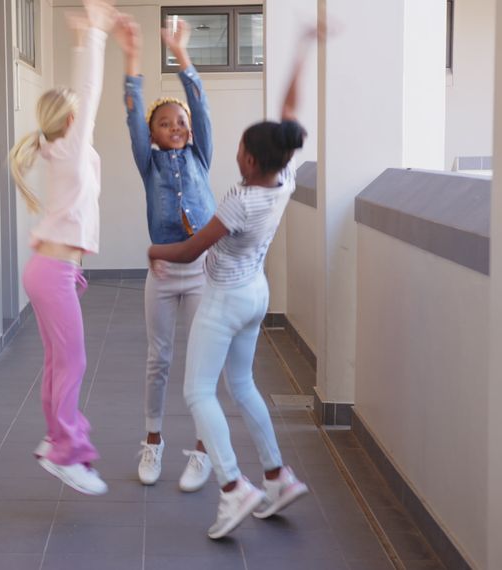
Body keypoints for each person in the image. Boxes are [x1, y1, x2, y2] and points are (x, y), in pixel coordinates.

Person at [146, 26, 320, 538]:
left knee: (198, 391)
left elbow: (190, 250)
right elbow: (289, 112)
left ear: (247, 160)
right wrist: (302, 48)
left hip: (223, 300)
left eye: (241, 148)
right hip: (256, 295)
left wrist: (154, 250)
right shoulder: (284, 177)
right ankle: (277, 477)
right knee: (241, 385)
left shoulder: (241, 201)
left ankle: (232, 486)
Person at [8, 0, 118, 496]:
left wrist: (80, 38)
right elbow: (89, 91)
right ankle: (66, 452)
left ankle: (57, 437)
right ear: (71, 120)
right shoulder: (69, 150)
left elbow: (81, 101)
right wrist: (95, 33)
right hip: (52, 271)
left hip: (51, 269)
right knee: (72, 362)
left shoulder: (65, 152)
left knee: (60, 361)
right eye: (81, 118)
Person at [114, 15, 214, 491]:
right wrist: (133, 54)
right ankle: (152, 440)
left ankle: (203, 448)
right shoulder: (148, 163)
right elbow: (133, 112)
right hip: (164, 273)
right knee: (160, 359)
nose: (175, 126)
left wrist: (180, 53)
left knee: (202, 361)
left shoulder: (200, 156)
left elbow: (200, 103)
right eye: (164, 123)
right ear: (152, 133)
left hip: (204, 272)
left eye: (181, 122)